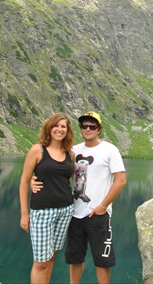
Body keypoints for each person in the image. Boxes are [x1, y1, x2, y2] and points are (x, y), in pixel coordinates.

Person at [31, 111, 127, 284]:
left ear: (99, 130)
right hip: (74, 213)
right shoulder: (73, 151)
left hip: (98, 214)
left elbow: (120, 181)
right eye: (84, 126)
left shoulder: (110, 150)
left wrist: (103, 207)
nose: (88, 129)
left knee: (102, 259)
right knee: (75, 258)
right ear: (80, 128)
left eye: (92, 126)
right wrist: (33, 179)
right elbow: (56, 172)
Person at [19, 112, 75, 284]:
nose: (59, 129)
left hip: (65, 210)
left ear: (67, 130)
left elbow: (70, 178)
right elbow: (24, 181)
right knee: (41, 262)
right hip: (42, 212)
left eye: (63, 126)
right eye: (56, 126)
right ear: (49, 128)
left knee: (51, 257)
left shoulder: (70, 154)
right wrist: (24, 214)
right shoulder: (38, 150)